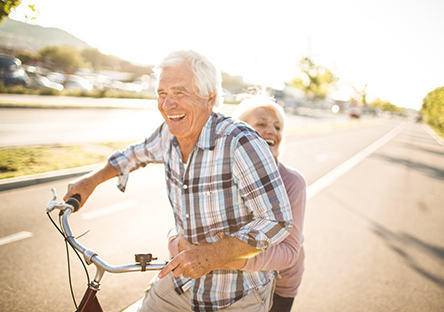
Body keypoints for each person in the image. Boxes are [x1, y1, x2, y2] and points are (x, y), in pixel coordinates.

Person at [63, 50, 293, 312]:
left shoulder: (239, 141)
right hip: (181, 283)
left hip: (238, 296)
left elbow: (278, 220)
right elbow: (132, 155)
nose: (167, 104)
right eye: (162, 93)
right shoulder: (168, 134)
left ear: (209, 98)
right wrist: (90, 182)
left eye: (179, 92)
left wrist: (213, 254)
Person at [168, 92, 306, 312]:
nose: (272, 131)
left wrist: (223, 256)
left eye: (278, 127)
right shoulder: (216, 169)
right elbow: (183, 222)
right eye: (261, 124)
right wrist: (176, 243)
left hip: (277, 286)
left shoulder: (292, 181)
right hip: (219, 284)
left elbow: (289, 251)